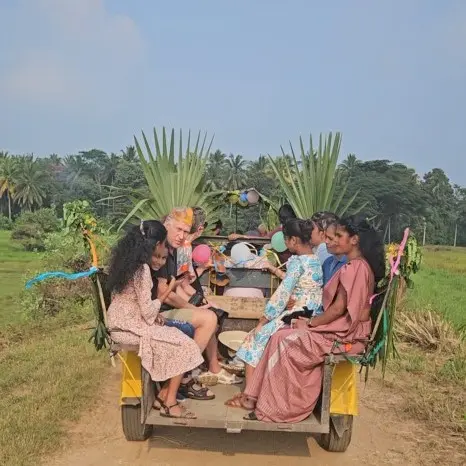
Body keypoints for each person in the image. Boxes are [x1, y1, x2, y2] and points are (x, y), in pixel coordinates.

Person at [233, 215, 385, 423]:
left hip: (344, 336)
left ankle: (277, 409)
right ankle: (260, 398)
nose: (331, 240)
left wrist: (311, 323)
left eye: (338, 236)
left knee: (283, 340)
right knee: (279, 335)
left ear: (354, 240)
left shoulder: (355, 268)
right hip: (340, 330)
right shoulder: (353, 265)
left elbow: (338, 309)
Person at [106, 220, 203, 419]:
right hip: (130, 327)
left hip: (118, 322)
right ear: (157, 244)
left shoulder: (126, 262)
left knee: (175, 335)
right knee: (185, 344)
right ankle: (169, 402)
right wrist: (168, 291)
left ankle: (164, 397)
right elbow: (149, 313)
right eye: (162, 243)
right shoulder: (142, 269)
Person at [224, 219, 323, 407]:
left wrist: (263, 319)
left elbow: (282, 294)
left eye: (286, 239)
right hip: (311, 311)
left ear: (294, 240)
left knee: (254, 339)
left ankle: (249, 397)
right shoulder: (314, 260)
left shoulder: (298, 263)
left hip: (296, 313)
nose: (284, 243)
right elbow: (299, 284)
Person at [156, 207, 241, 386]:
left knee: (210, 313)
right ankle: (183, 376)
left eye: (185, 231)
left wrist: (199, 302)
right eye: (179, 230)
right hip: (159, 312)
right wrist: (194, 307)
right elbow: (166, 293)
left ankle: (204, 368)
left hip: (169, 306)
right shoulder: (162, 251)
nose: (182, 236)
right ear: (166, 225)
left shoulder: (175, 250)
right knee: (208, 318)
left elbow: (180, 284)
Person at [322, 219, 347, 285]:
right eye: (326, 237)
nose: (326, 241)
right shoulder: (327, 262)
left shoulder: (350, 265)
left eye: (330, 238)